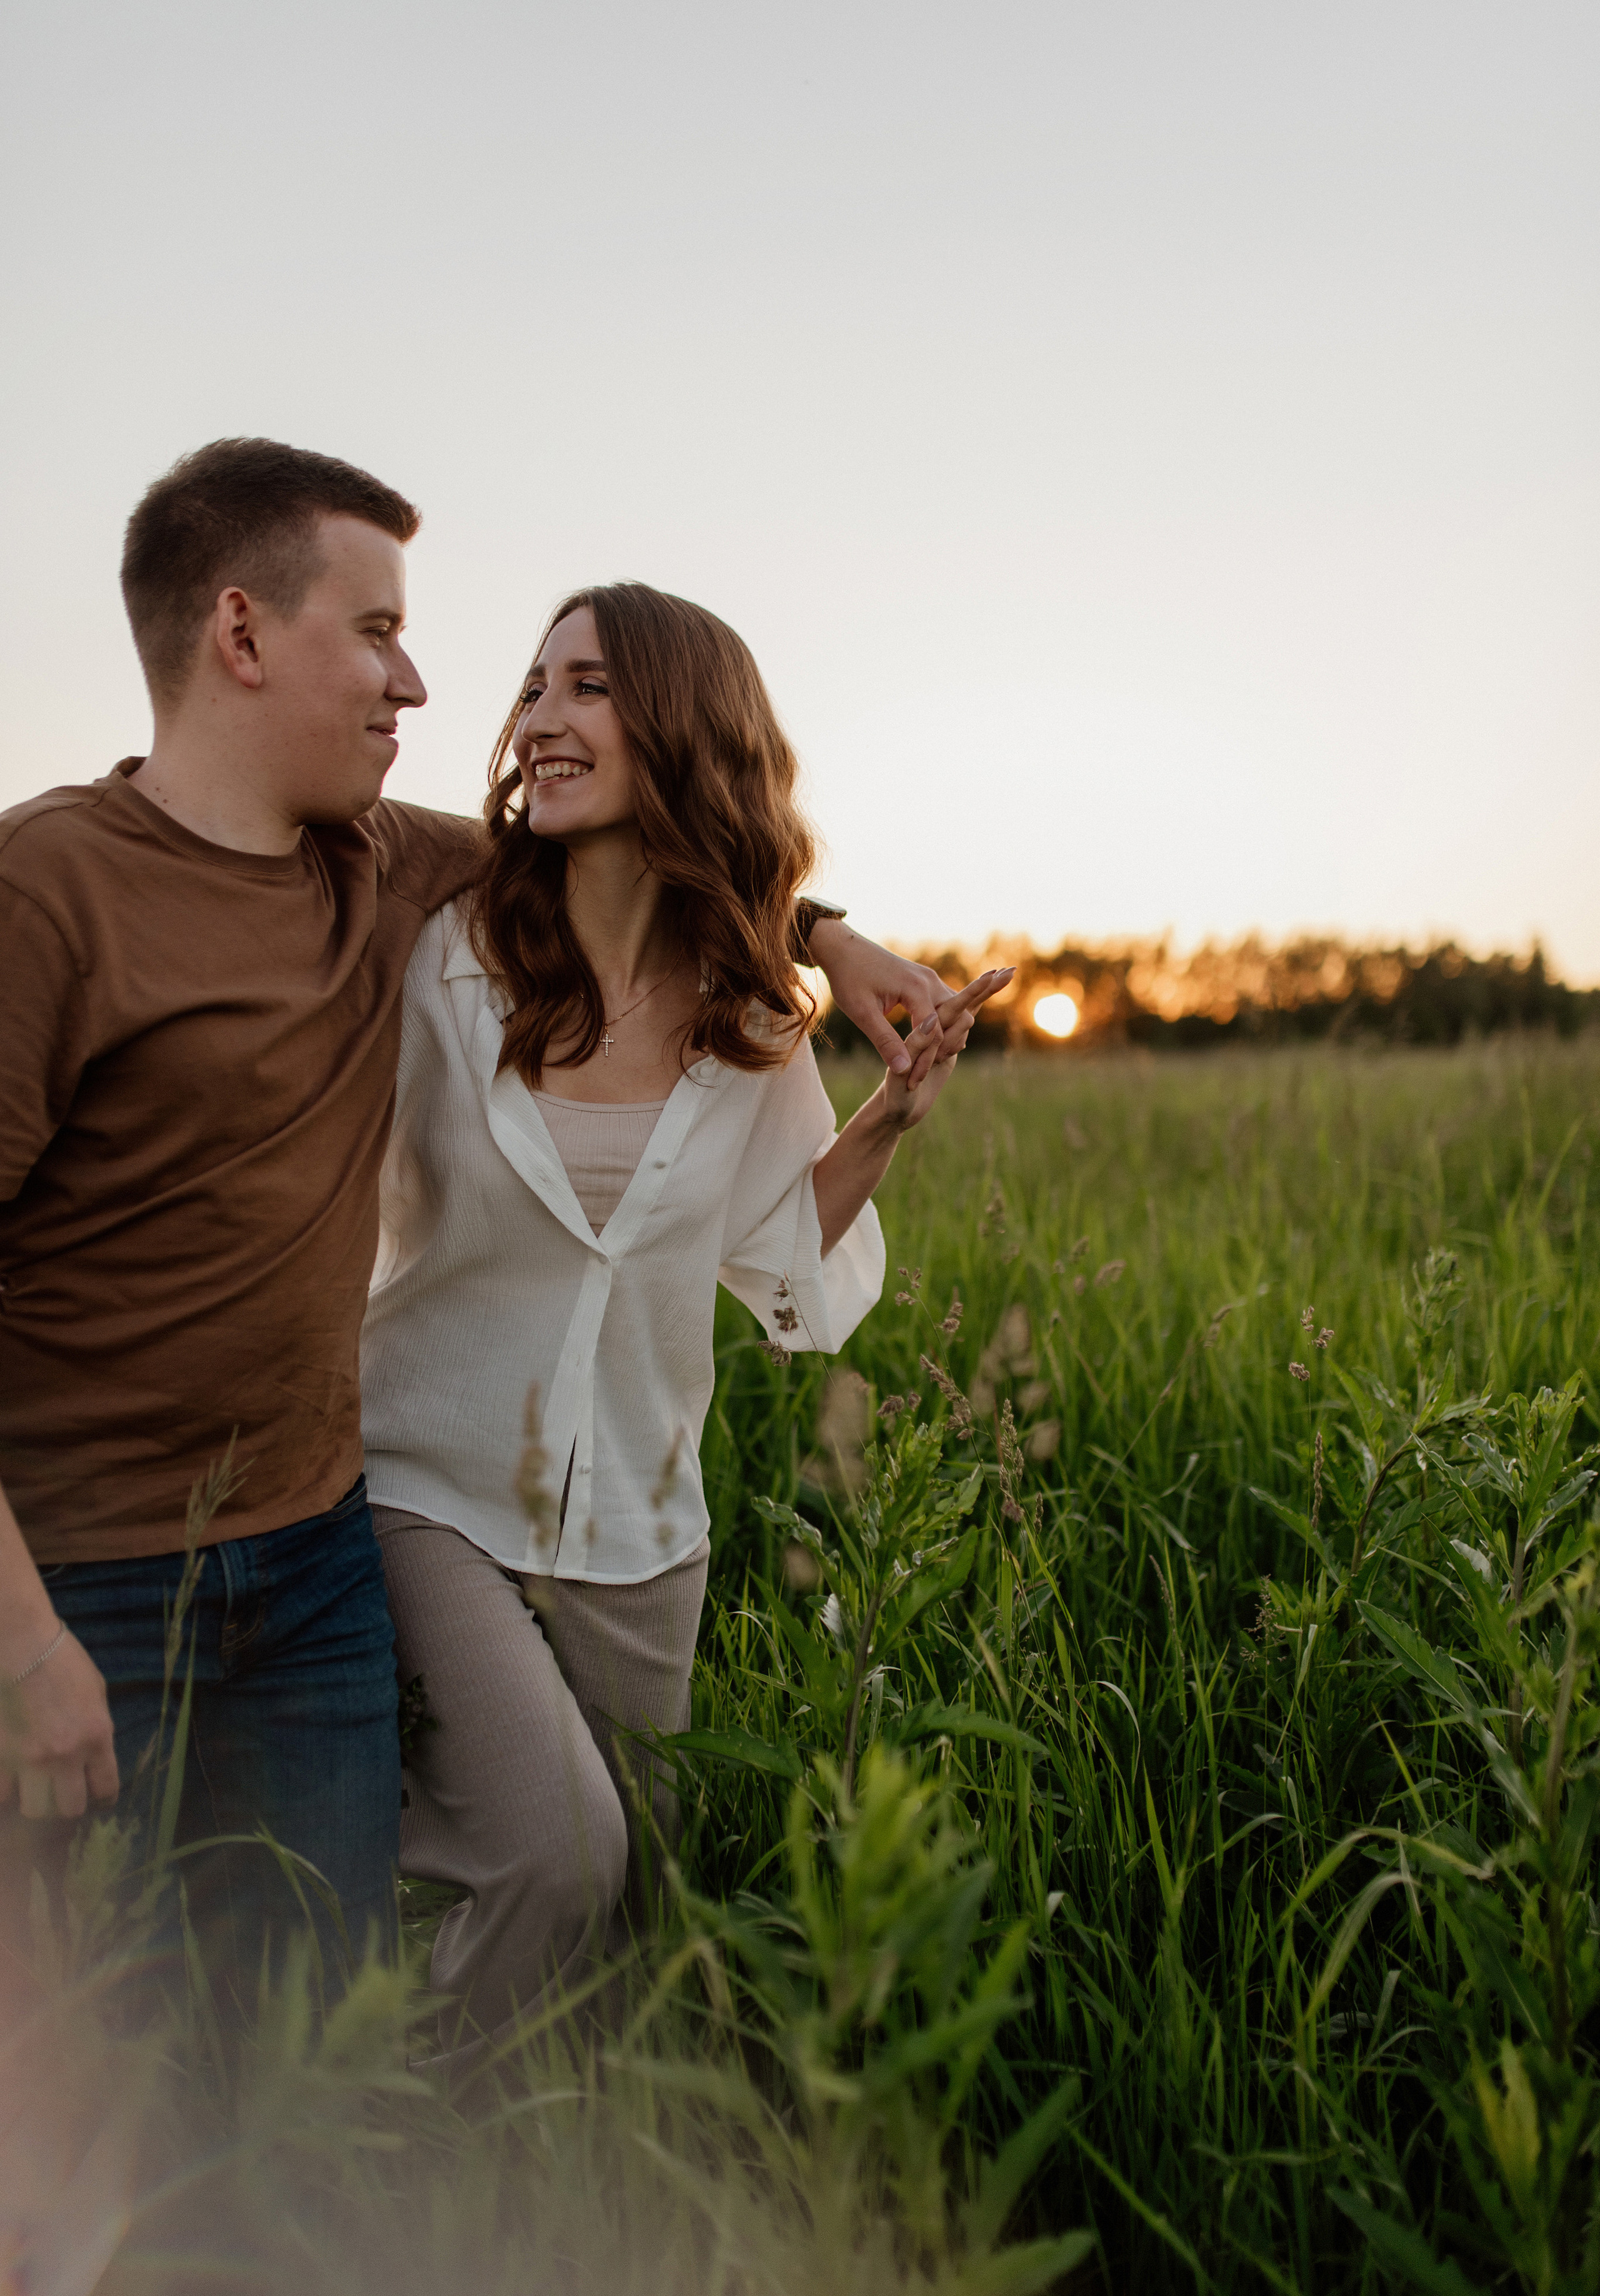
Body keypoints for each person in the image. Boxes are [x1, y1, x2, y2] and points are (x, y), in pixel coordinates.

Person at [0, 440, 968, 1997]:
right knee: (508, 1870)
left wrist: (838, 973)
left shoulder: (638, 969)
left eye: (581, 686)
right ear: (246, 636)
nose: (486, 704)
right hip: (270, 1526)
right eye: (385, 635)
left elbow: (763, 1212)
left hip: (484, 1536)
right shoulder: (335, 912)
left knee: (508, 1945)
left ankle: (468, 2203)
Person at [361, 583, 1009, 2051]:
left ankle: (544, 2187)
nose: (540, 717)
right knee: (555, 1856)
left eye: (586, 687)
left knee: (623, 1923)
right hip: (424, 1480)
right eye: (533, 688)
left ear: (679, 724)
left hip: (644, 1522)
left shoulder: (750, 1010)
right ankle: (392, 2147)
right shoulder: (444, 956)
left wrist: (888, 1123)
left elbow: (776, 1262)